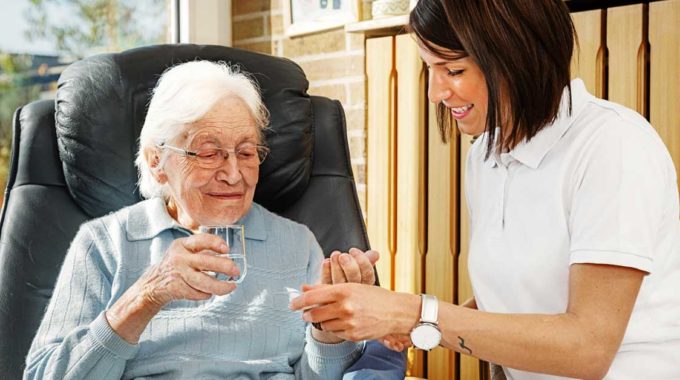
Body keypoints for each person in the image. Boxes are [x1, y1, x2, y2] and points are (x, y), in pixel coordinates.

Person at [290, 0, 680, 379]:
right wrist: (411, 325)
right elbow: (519, 301)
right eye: (431, 70)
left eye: (454, 70)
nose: (436, 93)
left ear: (516, 56)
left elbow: (587, 349)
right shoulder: (486, 157)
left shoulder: (613, 146)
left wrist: (416, 313)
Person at [24, 60, 403, 379]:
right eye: (209, 154)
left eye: (247, 152)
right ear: (157, 161)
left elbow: (315, 375)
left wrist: (328, 332)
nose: (234, 174)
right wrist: (146, 296)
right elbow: (44, 373)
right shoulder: (105, 243)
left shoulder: (297, 243)